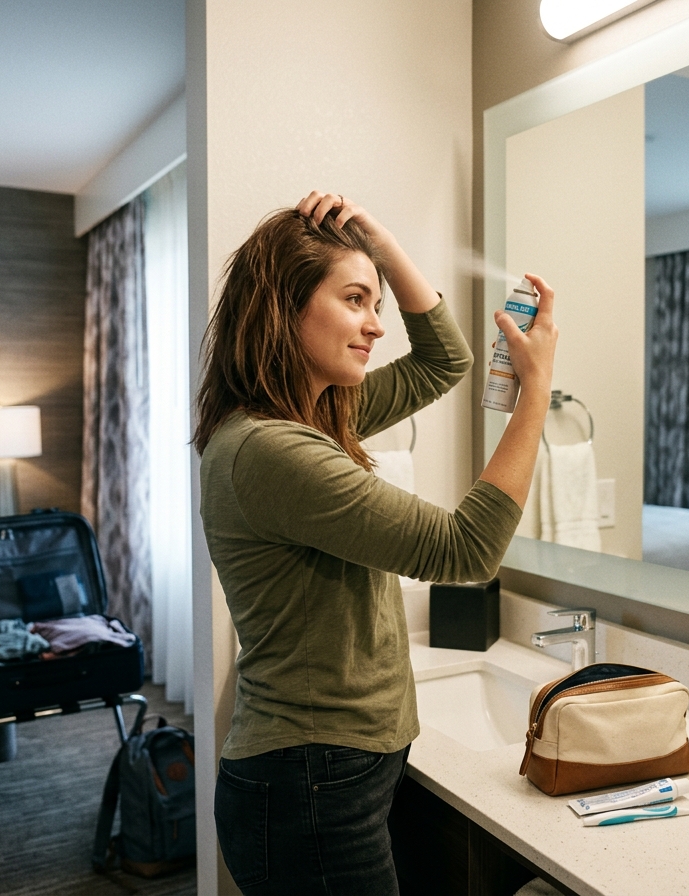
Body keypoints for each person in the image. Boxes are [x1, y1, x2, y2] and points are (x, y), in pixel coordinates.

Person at [193, 190, 557, 896]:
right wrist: (535, 390)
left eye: (377, 305)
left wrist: (375, 242)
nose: (374, 326)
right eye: (356, 300)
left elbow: (443, 360)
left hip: (336, 772)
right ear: (283, 306)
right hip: (309, 783)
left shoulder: (319, 416)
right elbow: (465, 550)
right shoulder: (271, 449)